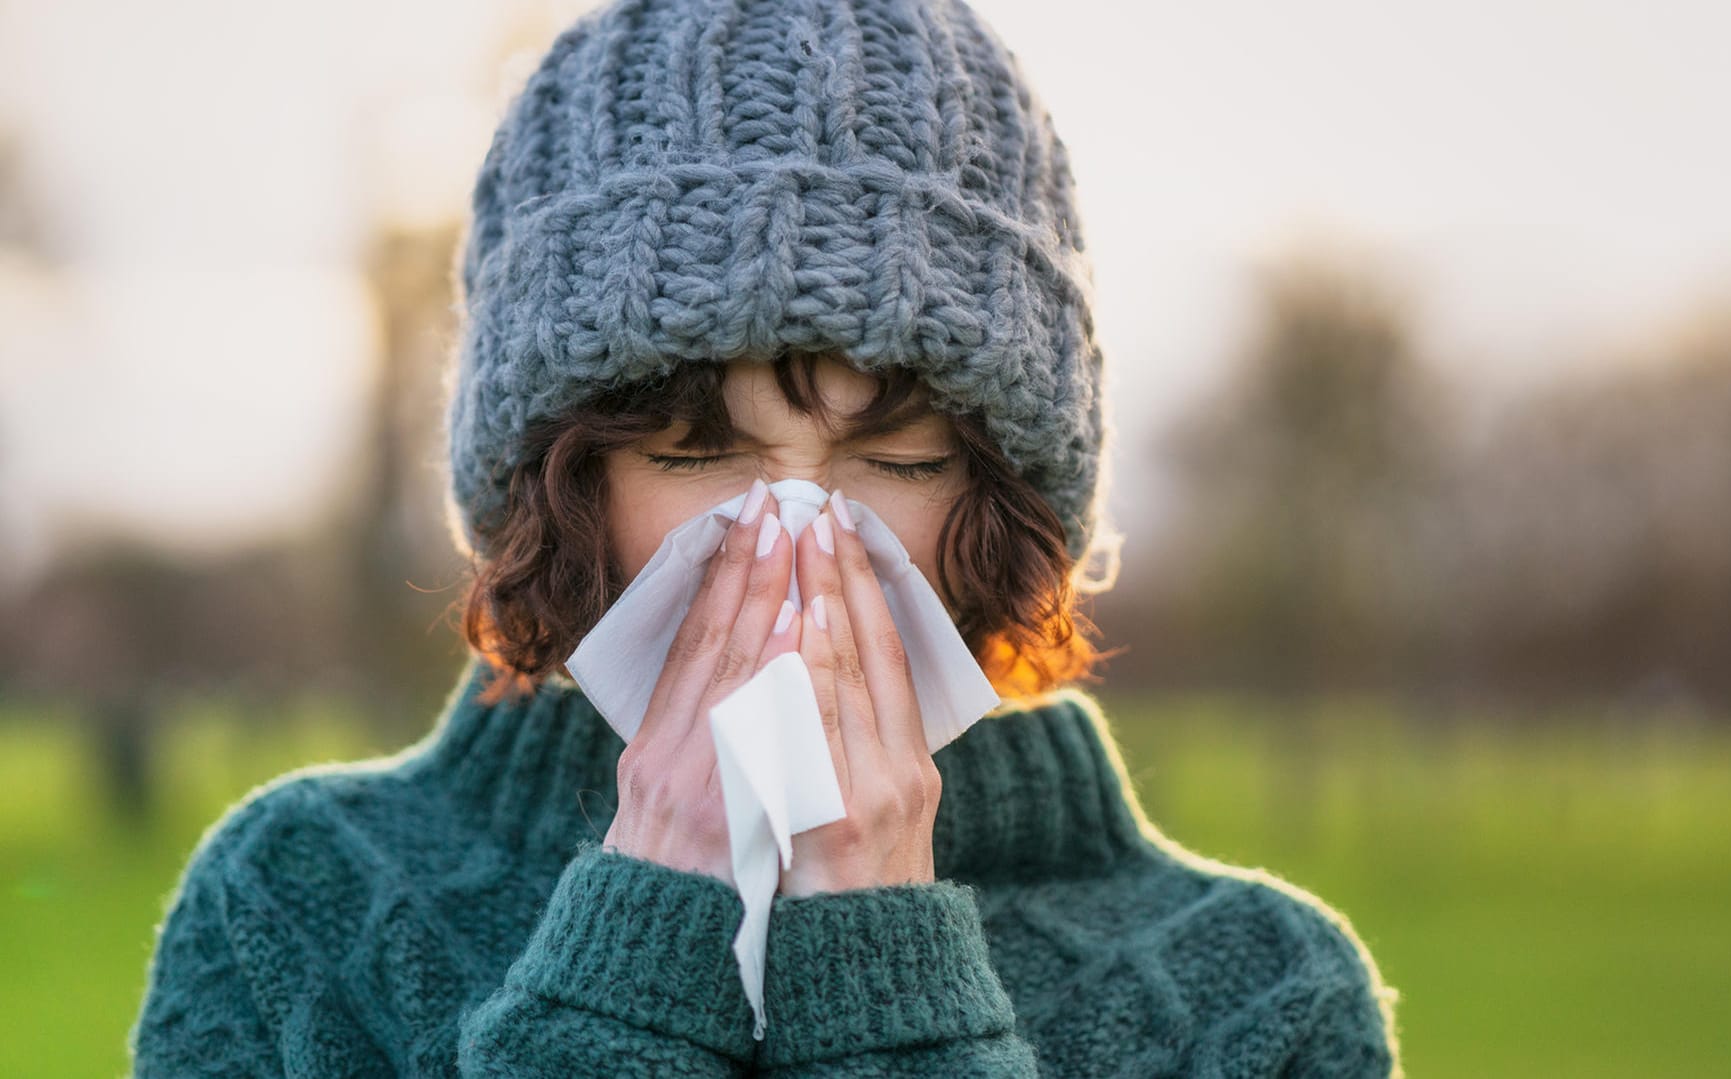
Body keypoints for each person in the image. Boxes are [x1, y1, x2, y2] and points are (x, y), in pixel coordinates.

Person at [131, 0, 1402, 1074]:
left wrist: (886, 970)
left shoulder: (1264, 994)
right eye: (694, 454)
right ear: (555, 484)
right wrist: (638, 949)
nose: (795, 538)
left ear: (1008, 494)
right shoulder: (294, 903)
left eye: (897, 459)